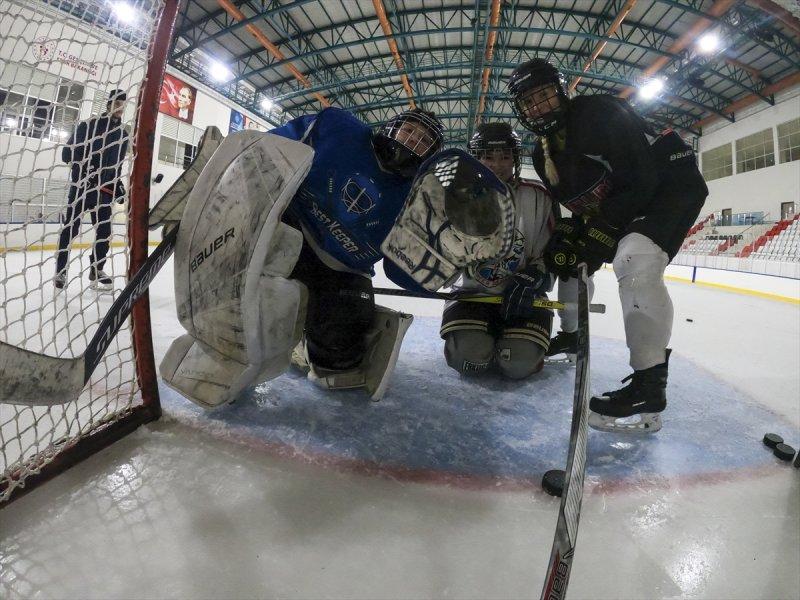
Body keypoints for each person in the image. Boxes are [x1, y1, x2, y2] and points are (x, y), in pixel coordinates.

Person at [507, 58, 708, 432]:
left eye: (544, 96)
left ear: (561, 91)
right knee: (569, 262)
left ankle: (649, 385)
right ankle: (571, 335)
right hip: (625, 201)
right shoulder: (542, 152)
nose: (539, 107)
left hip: (668, 188)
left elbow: (641, 177)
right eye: (529, 102)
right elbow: (588, 202)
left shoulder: (598, 113)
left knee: (635, 259)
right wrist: (574, 233)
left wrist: (602, 230)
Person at [439, 122, 555, 379]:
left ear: (515, 158)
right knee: (469, 362)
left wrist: (534, 278)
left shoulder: (538, 196)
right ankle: (480, 343)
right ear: (477, 158)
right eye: (488, 157)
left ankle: (510, 346)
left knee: (517, 367)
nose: (497, 164)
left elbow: (549, 251)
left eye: (504, 157)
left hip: (523, 296)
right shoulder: (457, 197)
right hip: (472, 295)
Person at [55, 89, 129, 291]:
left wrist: (118, 186)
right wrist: (83, 163)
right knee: (70, 230)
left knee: (104, 233)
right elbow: (67, 153)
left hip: (104, 192)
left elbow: (117, 166)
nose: (120, 108)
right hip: (81, 189)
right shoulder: (89, 125)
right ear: (108, 105)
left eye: (123, 104)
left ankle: (96, 269)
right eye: (116, 104)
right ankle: (60, 270)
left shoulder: (123, 135)